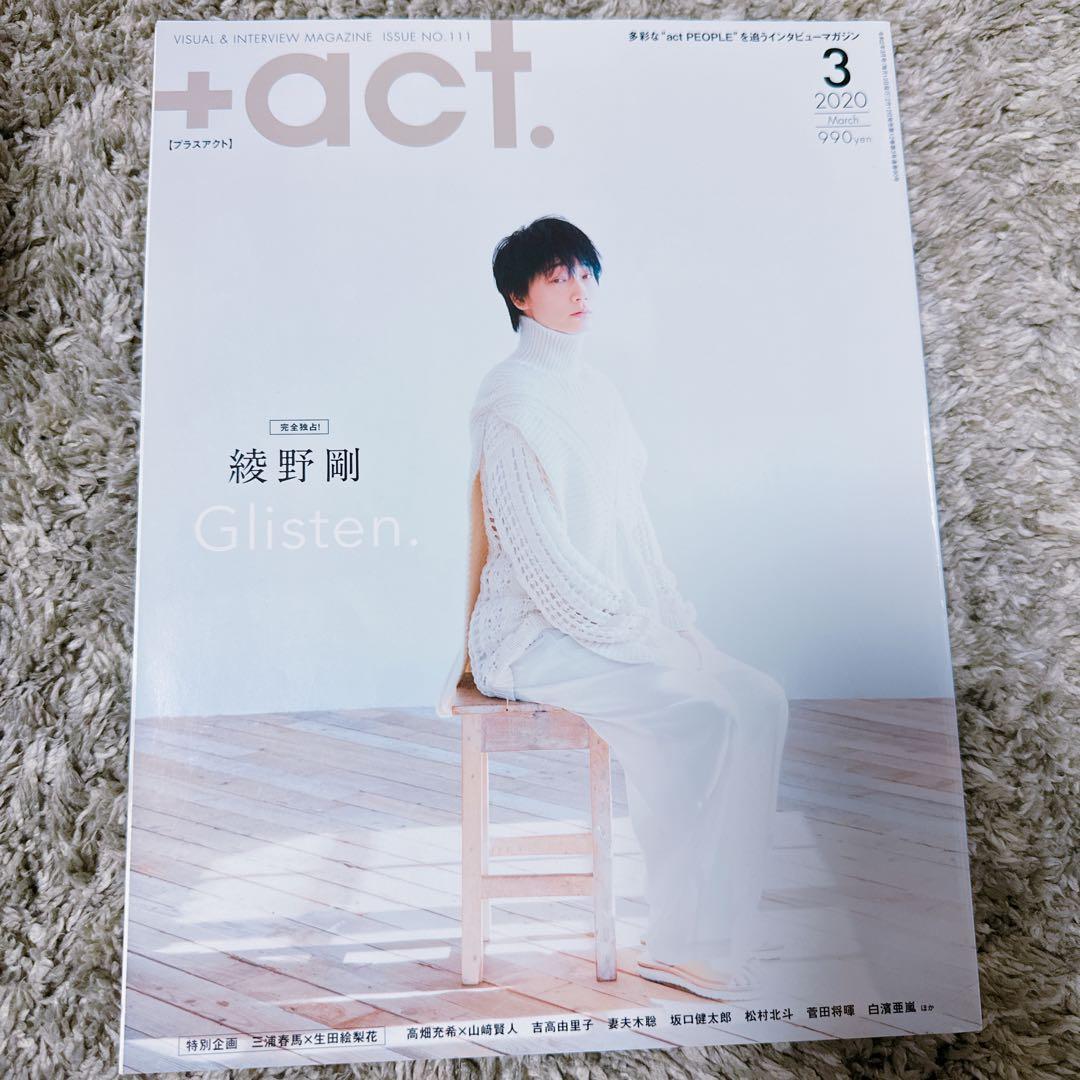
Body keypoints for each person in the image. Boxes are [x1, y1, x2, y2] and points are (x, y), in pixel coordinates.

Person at [438, 215, 789, 1000]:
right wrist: (640, 636)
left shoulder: (596, 391)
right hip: (529, 637)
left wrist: (673, 623)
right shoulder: (509, 400)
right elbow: (539, 561)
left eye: (585, 272)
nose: (578, 288)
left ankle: (719, 931)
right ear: (518, 297)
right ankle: (684, 942)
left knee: (760, 699)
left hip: (608, 622)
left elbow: (633, 529)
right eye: (557, 275)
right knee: (700, 713)